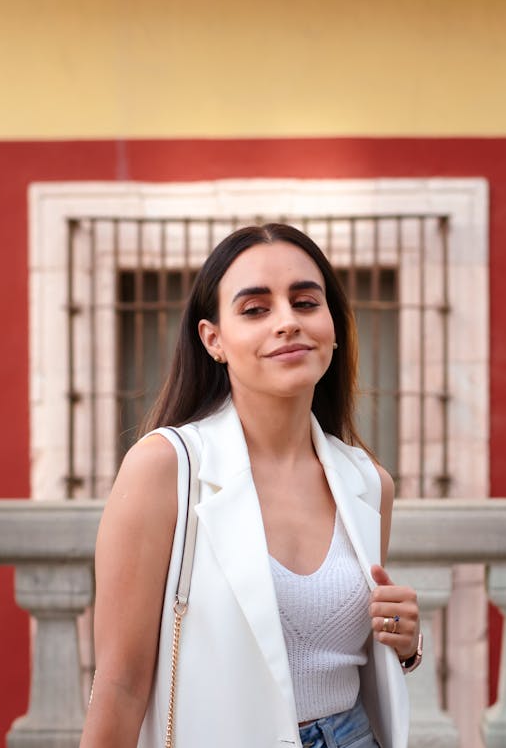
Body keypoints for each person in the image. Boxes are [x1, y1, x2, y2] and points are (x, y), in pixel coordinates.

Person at [80, 223, 421, 748]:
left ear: (332, 324)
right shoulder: (165, 466)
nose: (287, 322)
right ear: (213, 339)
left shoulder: (367, 481)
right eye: (255, 309)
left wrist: (406, 645)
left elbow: (350, 659)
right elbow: (121, 684)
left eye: (306, 302)